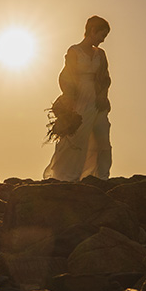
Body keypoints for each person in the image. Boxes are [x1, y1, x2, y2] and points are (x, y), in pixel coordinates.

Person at [43, 15, 112, 181]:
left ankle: (100, 176)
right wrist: (70, 98)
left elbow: (106, 78)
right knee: (75, 138)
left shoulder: (101, 55)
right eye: (102, 35)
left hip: (97, 100)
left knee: (102, 137)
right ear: (93, 30)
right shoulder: (74, 51)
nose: (103, 40)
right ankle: (67, 176)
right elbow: (65, 76)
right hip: (78, 98)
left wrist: (102, 96)